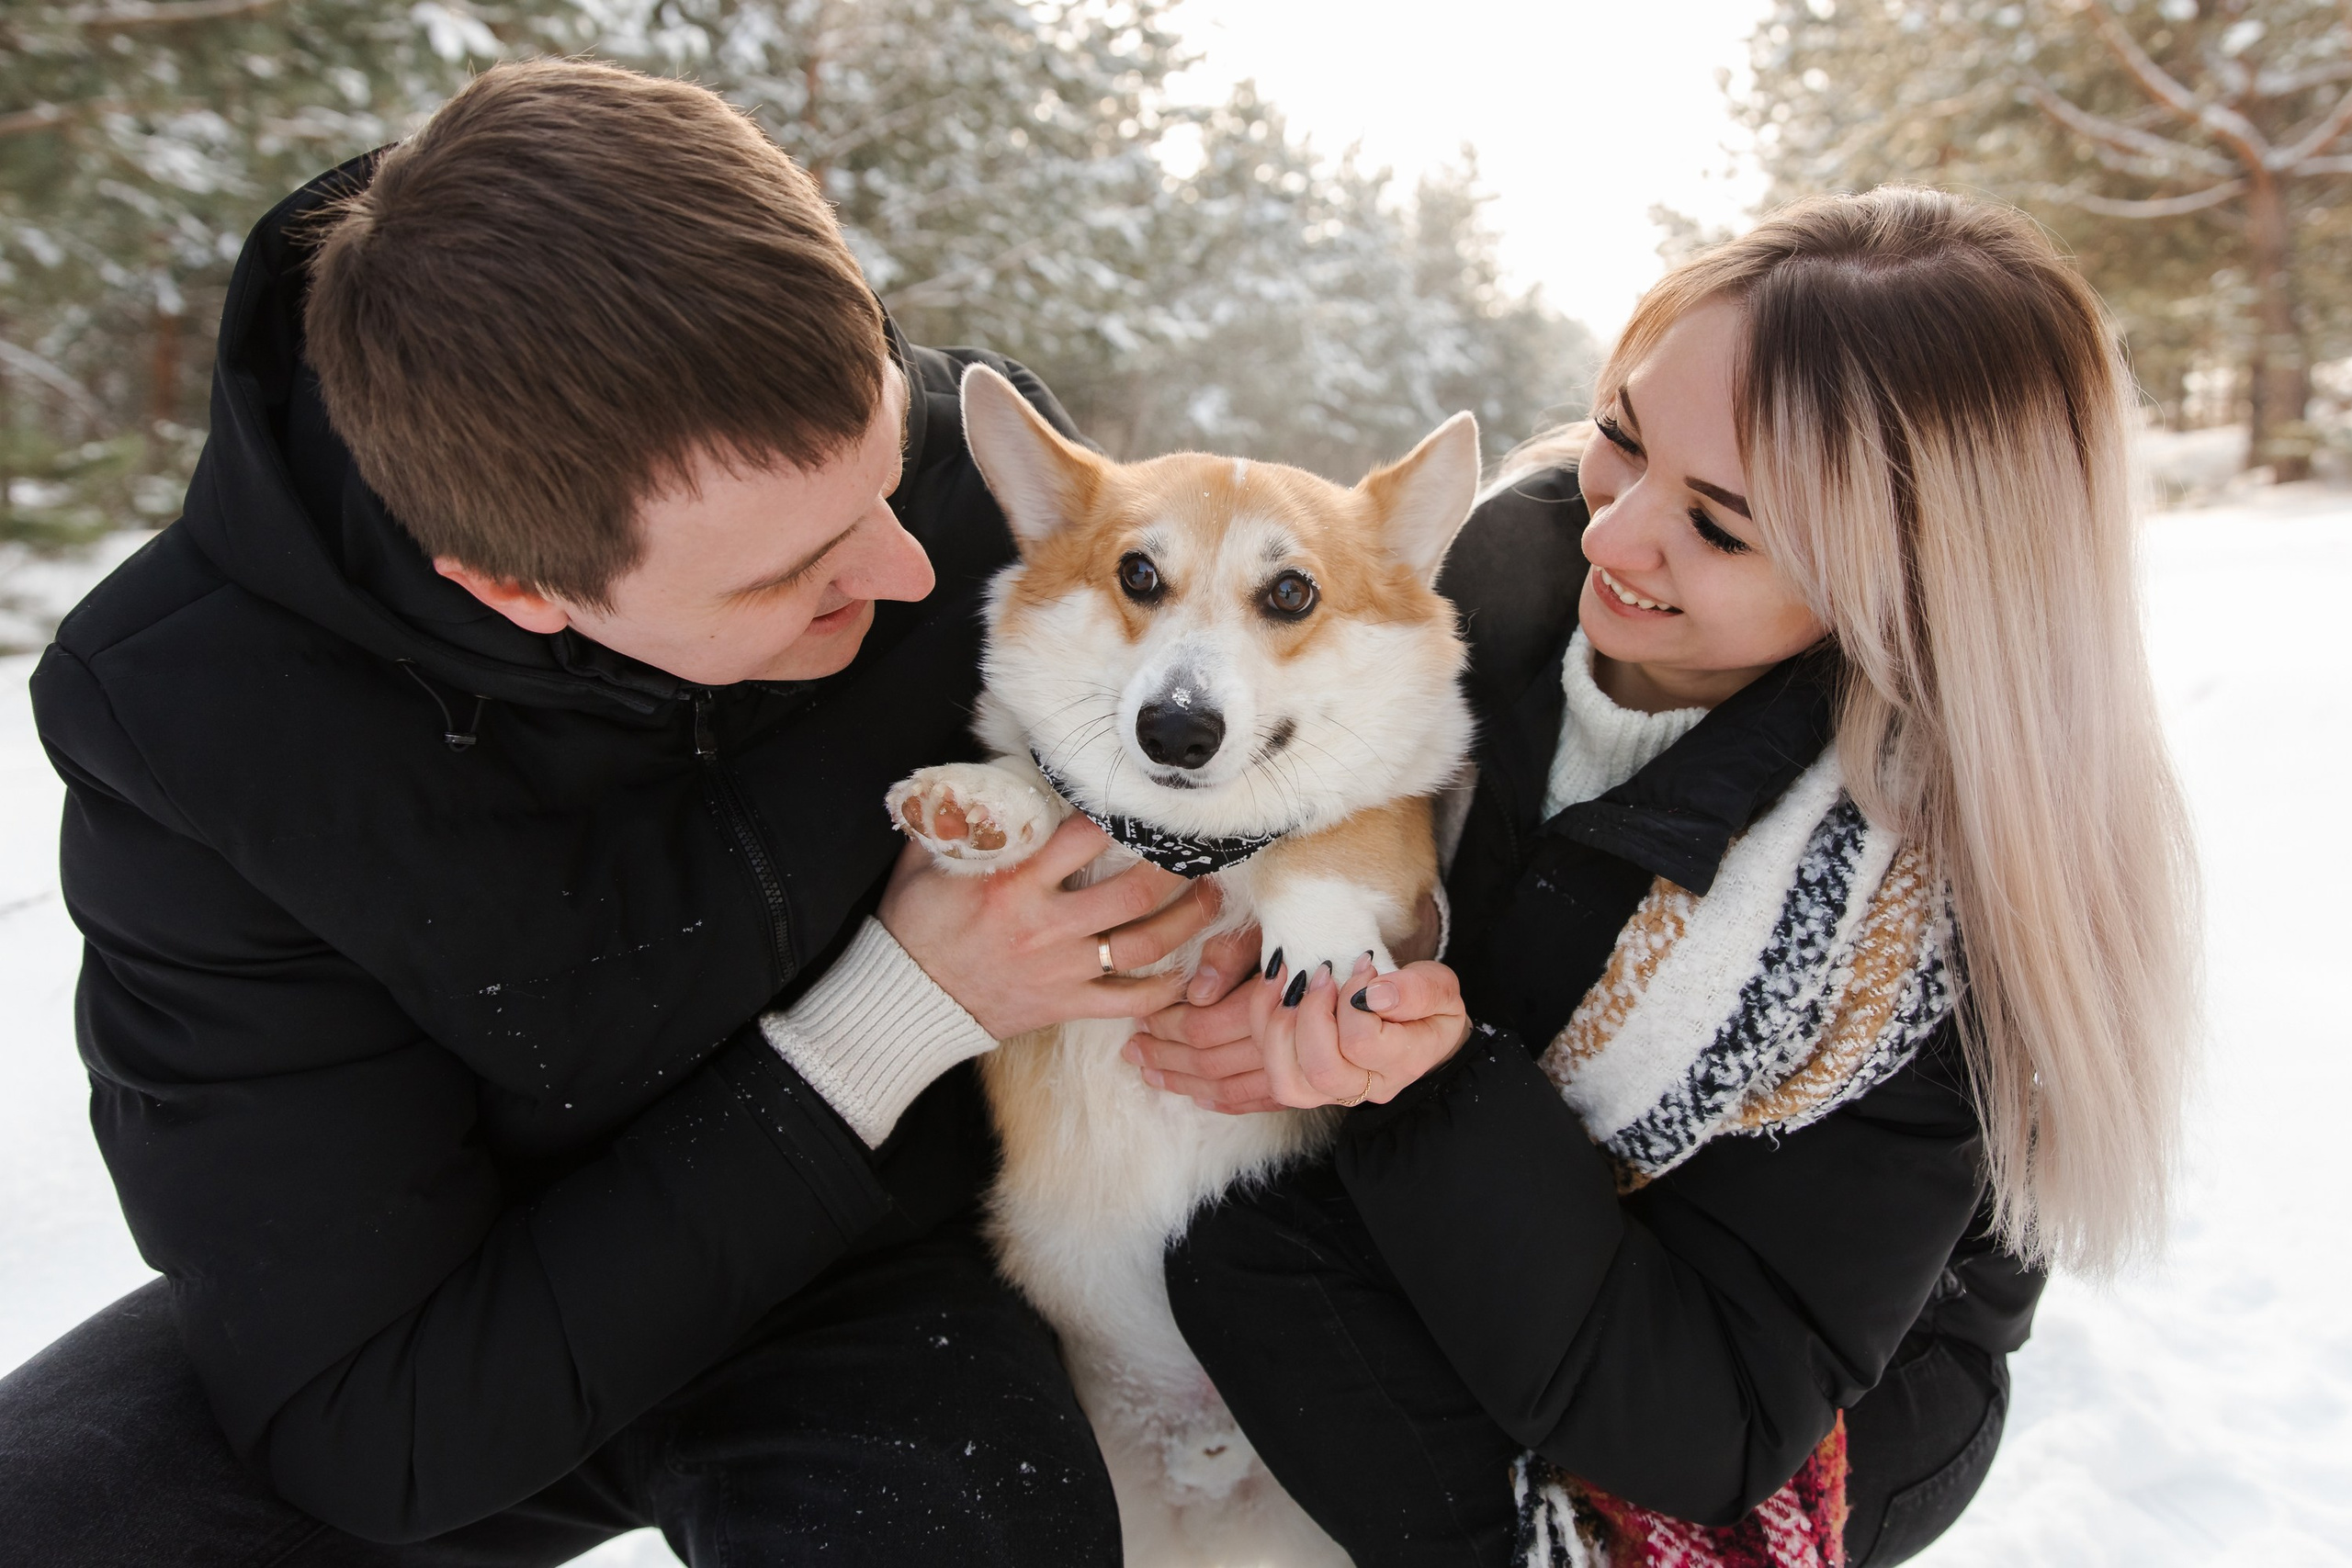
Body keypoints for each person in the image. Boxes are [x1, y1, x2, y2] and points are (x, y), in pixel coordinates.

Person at [0, 59, 1258, 1565]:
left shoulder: (965, 481)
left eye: (886, 467)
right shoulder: (200, 732)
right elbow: (374, 1431)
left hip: (877, 1261)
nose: (910, 568)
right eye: (793, 576)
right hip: (468, 1311)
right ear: (519, 592)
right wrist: (905, 1001)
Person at [1132, 187, 2200, 1566]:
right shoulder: (1456, 591)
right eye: (1621, 439)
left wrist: (1420, 1087)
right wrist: (1249, 951)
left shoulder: (1911, 913)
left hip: (1785, 1417)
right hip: (1481, 1233)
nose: (1613, 537)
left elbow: (1716, 1419)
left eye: (1720, 526)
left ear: (1912, 582)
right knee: (1231, 1243)